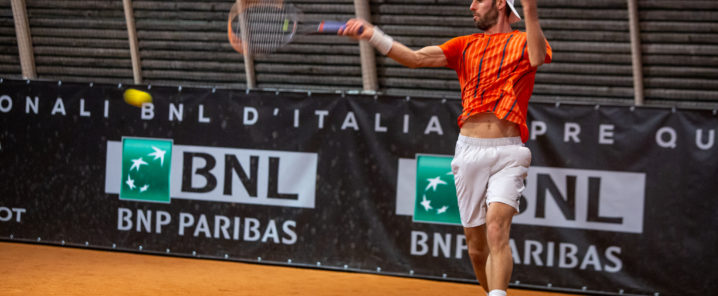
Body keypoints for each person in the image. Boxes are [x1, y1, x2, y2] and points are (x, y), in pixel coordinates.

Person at [339, 0, 551, 295]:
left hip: (509, 152)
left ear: (501, 4)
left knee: (496, 230)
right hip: (469, 150)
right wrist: (372, 33)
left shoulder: (522, 40)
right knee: (477, 251)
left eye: (479, 0)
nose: (471, 6)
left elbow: (538, 56)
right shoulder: (464, 45)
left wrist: (530, 10)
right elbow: (415, 59)